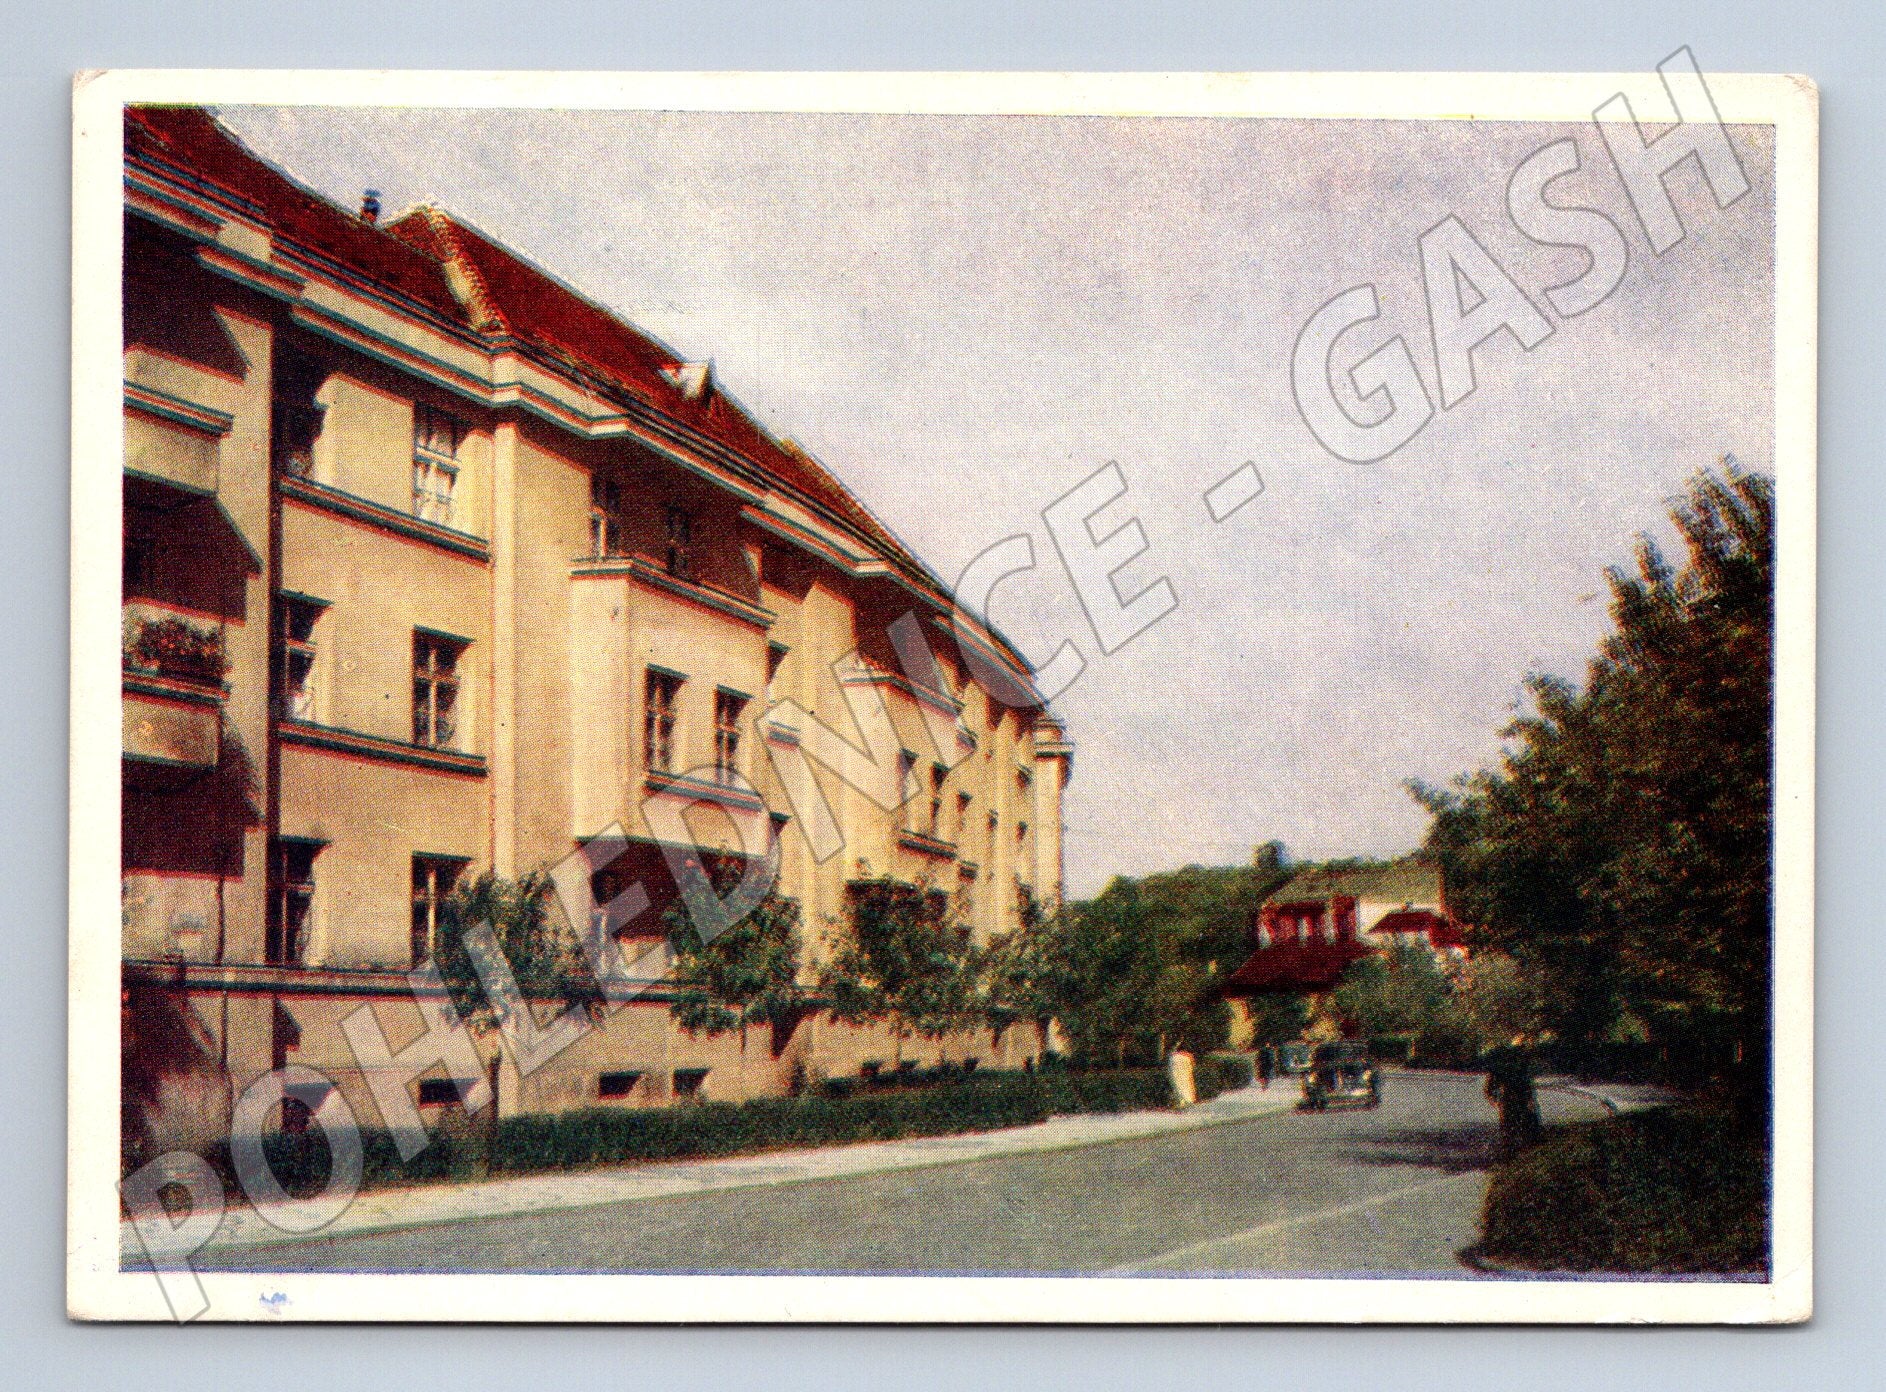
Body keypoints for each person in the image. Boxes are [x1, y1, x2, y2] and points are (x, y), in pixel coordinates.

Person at [1483, 1044, 1542, 1151]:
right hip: (1508, 1102)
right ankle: (1510, 1153)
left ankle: (1527, 1151)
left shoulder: (1521, 1068)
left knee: (1529, 1132)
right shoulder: (1499, 1069)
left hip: (1521, 1102)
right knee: (1509, 1134)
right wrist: (1496, 1102)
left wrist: (1530, 1101)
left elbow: (1527, 1086)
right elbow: (1488, 1090)